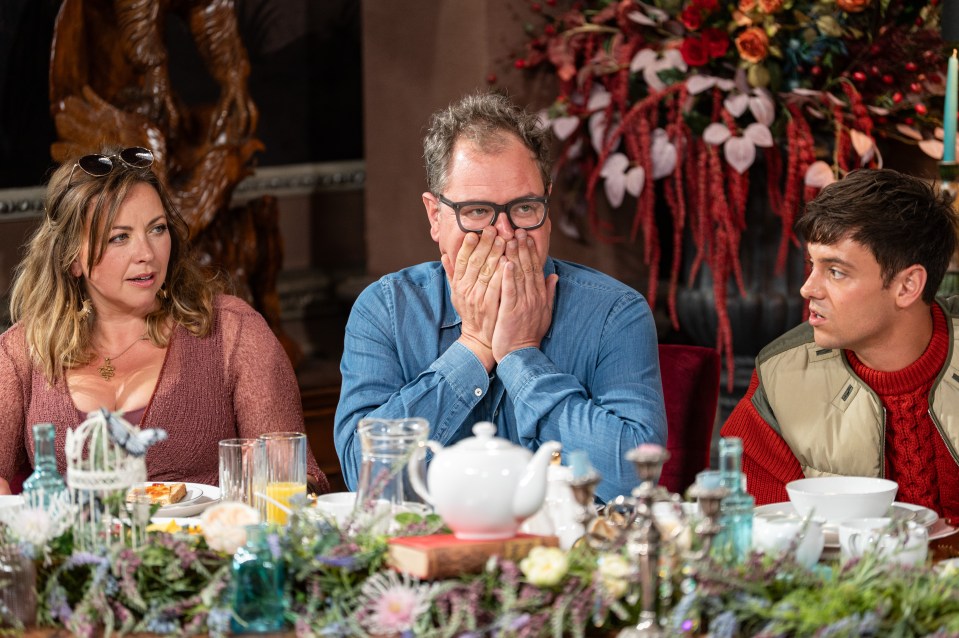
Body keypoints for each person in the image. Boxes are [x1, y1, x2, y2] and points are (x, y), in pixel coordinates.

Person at [334, 92, 667, 503]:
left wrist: (522, 356)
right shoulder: (385, 309)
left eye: (525, 207)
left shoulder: (615, 312)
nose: (506, 232)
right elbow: (364, 476)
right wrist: (475, 345)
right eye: (476, 211)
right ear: (435, 216)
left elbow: (635, 477)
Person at [0, 146, 329, 495]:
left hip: (207, 547)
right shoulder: (22, 351)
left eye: (157, 229)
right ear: (73, 259)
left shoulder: (233, 331)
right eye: (119, 237)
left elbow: (295, 482)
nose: (146, 254)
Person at [721, 168, 959, 519]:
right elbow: (759, 536)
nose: (808, 289)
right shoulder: (782, 374)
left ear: (908, 286)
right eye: (812, 265)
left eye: (836, 271)